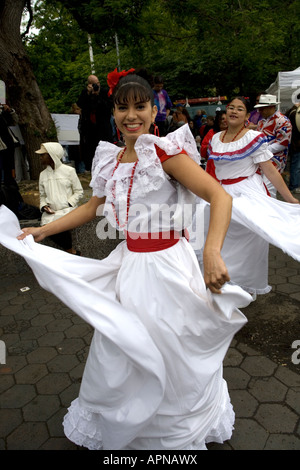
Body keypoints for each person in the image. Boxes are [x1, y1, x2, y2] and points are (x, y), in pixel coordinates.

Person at [0, 71, 253, 451]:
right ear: (114, 112)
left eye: (140, 106)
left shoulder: (166, 152)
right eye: (123, 107)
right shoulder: (110, 159)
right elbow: (90, 208)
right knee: (123, 345)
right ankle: (133, 422)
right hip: (131, 265)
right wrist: (41, 231)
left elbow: (221, 197)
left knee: (170, 346)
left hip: (169, 266)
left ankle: (174, 430)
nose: (131, 115)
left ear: (154, 110)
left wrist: (212, 251)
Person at [198, 96, 300, 297]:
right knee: (216, 238)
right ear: (226, 113)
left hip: (246, 192)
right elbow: (211, 171)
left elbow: (270, 171)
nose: (234, 111)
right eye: (231, 108)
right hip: (220, 193)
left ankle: (241, 286)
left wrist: (290, 199)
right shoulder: (216, 138)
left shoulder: (253, 137)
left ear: (246, 115)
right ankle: (220, 282)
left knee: (249, 241)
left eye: (240, 109)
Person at [36, 142, 83, 254]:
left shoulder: (69, 171)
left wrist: (69, 203)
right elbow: (42, 195)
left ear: (52, 155)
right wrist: (44, 206)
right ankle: (71, 252)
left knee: (61, 224)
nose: (40, 157)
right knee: (48, 228)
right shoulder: (42, 174)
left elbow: (79, 191)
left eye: (43, 154)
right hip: (51, 212)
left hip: (68, 209)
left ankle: (70, 252)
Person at [255, 94, 292, 197]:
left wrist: (262, 150)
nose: (260, 111)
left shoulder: (283, 121)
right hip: (261, 160)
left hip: (275, 161)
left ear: (271, 107)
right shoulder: (261, 122)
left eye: (262, 109)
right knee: (262, 189)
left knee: (268, 190)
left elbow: (283, 143)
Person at [76, 74, 113, 171]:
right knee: (91, 151)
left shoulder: (105, 92)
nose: (96, 86)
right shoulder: (85, 93)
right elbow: (80, 105)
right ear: (89, 84)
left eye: (97, 84)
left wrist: (98, 96)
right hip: (90, 129)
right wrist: (88, 94)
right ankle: (91, 168)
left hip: (103, 127)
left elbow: (109, 106)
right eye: (93, 84)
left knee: (105, 150)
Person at [0, 103, 18, 185]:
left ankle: (10, 187)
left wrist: (9, 111)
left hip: (8, 143)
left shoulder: (3, 111)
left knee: (10, 168)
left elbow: (14, 122)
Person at [286, 98, 300, 193]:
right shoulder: (295, 112)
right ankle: (294, 185)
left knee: (296, 164)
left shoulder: (293, 111)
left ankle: (294, 185)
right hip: (297, 143)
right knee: (296, 165)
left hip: (296, 143)